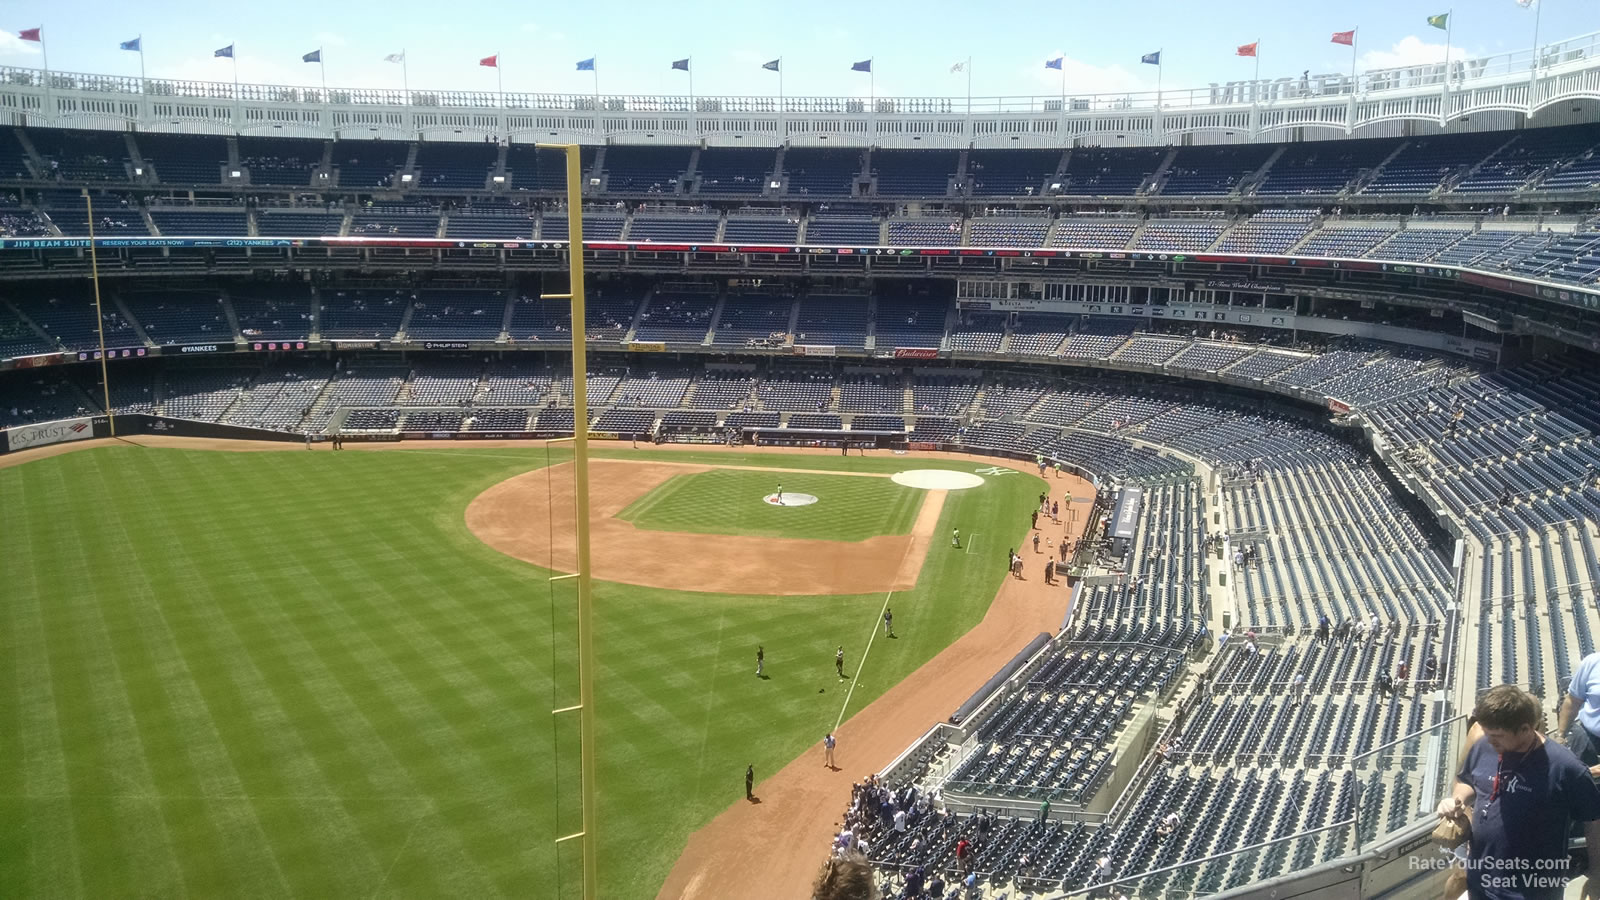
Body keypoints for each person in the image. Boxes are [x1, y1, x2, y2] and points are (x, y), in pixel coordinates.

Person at [1437, 684, 1600, 899]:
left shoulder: (1566, 768)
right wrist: (1457, 799)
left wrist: (1597, 877)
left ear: (1525, 729)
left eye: (1497, 736)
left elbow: (1594, 824)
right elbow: (1466, 781)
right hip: (1480, 882)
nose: (1490, 740)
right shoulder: (1484, 745)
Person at [1559, 649, 1600, 772]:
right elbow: (1572, 701)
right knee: (1580, 784)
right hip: (1587, 739)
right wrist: (1561, 735)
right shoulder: (1593, 662)